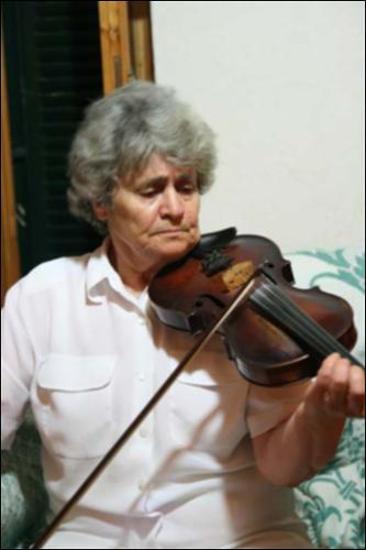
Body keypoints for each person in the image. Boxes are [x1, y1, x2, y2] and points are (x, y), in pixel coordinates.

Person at [1, 80, 364, 550]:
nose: (176, 209)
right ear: (101, 203)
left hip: (244, 540)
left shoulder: (247, 301)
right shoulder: (42, 298)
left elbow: (284, 465)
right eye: (151, 190)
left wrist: (321, 411)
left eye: (186, 187)